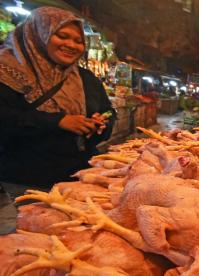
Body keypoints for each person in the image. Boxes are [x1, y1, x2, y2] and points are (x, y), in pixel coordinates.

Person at [0, 7, 115, 199]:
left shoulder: (85, 78)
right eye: (62, 36)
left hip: (79, 175)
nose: (71, 45)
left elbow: (109, 111)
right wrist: (58, 121)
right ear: (39, 34)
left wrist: (101, 123)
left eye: (78, 41)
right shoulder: (7, 72)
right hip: (27, 179)